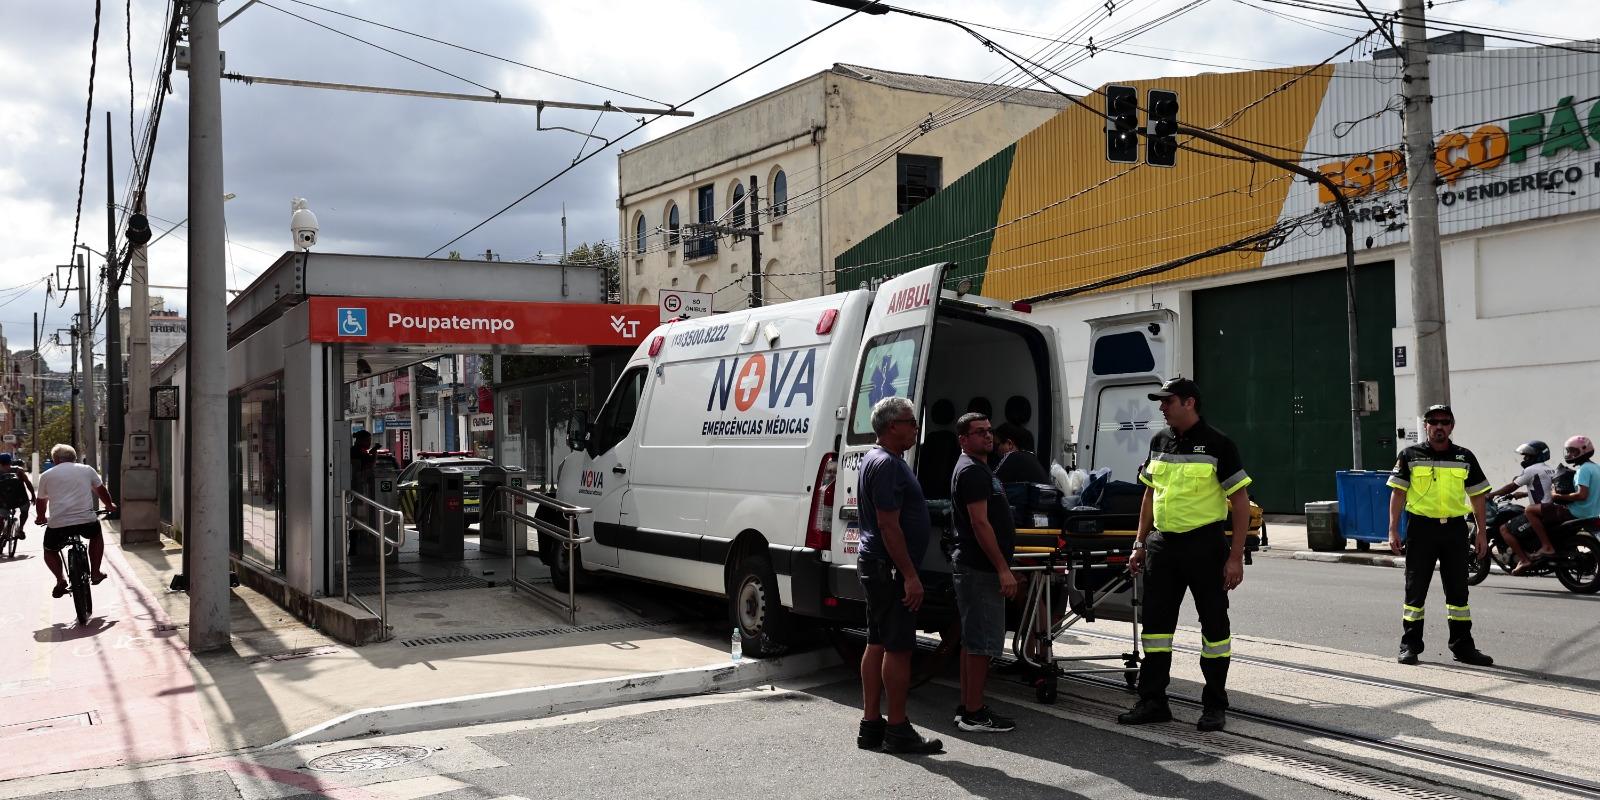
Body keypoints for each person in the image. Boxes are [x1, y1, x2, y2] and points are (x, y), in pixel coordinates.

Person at [1119, 378, 1251, 733]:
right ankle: (1153, 701)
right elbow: (1149, 495)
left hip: (1205, 546)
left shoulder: (1219, 444)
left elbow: (1240, 502)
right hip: (1163, 547)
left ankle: (1214, 705)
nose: (1162, 407)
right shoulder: (1159, 441)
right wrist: (1139, 542)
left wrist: (1235, 556)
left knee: (1214, 629)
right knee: (1155, 628)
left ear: (1189, 402)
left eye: (1168, 401)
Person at [855, 396, 942, 755]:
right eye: (911, 421)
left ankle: (871, 725)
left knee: (877, 641)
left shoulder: (875, 458)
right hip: (889, 569)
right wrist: (909, 575)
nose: (916, 428)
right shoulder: (888, 464)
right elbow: (889, 525)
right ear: (893, 426)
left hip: (876, 564)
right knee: (899, 647)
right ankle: (897, 728)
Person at [1387, 404, 1494, 667]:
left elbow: (1477, 496)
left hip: (1455, 530)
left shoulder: (1464, 456)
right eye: (1433, 422)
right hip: (1421, 529)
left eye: (1444, 422)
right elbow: (1398, 493)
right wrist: (1392, 529)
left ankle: (1463, 647)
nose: (1439, 426)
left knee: (1458, 592)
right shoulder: (1409, 455)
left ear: (1451, 426)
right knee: (1415, 591)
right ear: (1425, 426)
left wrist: (1481, 531)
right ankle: (1409, 646)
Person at [949, 412, 1018, 733]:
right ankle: (974, 714)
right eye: (979, 432)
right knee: (981, 643)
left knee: (973, 640)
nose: (988, 436)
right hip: (980, 569)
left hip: (977, 567)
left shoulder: (979, 468)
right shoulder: (972, 472)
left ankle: (968, 706)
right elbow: (979, 523)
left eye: (989, 431)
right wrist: (1003, 569)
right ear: (964, 439)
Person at [33, 444, 117, 598]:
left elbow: (41, 501)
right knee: (96, 536)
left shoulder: (46, 475)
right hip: (86, 520)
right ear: (74, 458)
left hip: (58, 524)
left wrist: (40, 517)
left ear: (55, 459)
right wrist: (109, 505)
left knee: (49, 550)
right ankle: (95, 572)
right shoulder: (87, 470)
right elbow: (101, 490)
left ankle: (60, 580)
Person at [1523, 436, 1600, 557]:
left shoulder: (1583, 470)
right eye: (1568, 451)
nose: (1569, 454)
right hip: (1592, 513)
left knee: (1530, 510)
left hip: (1576, 512)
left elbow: (1582, 495)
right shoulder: (1596, 467)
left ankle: (1546, 546)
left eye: (1573, 451)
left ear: (1583, 450)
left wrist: (1558, 496)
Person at [1486, 441, 1555, 574]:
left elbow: (1511, 486)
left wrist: (1491, 494)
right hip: (1550, 510)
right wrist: (1524, 494)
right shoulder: (1550, 469)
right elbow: (1546, 489)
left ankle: (1524, 560)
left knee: (1504, 529)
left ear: (1536, 456)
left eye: (1527, 456)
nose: (1524, 459)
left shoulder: (1530, 470)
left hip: (1539, 513)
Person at [0, 452, 36, 537]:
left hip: (3, 502)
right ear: (10, 461)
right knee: (24, 511)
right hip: (20, 500)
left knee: (2, 515)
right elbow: (27, 483)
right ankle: (21, 529)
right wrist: (33, 495)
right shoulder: (19, 470)